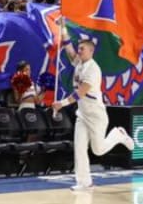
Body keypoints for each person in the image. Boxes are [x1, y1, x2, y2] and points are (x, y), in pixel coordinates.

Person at [52, 26, 134, 192]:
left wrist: (62, 103)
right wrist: (62, 29)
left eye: (82, 49)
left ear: (91, 51)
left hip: (96, 115)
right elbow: (69, 49)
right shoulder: (80, 63)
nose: (79, 51)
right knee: (80, 147)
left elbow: (80, 93)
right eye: (79, 48)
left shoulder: (93, 69)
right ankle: (84, 182)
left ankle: (118, 135)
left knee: (98, 150)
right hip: (82, 114)